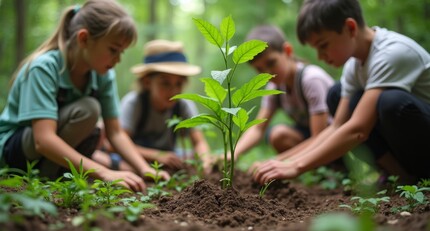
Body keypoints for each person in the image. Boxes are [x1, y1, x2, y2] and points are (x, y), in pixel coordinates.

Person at [252, 0, 430, 185]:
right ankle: (400, 177)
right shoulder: (354, 66)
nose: (320, 56)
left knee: (390, 101)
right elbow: (337, 126)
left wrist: (296, 166)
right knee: (337, 95)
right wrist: (284, 162)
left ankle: (419, 176)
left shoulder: (392, 53)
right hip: (410, 141)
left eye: (323, 45)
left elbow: (358, 130)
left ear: (350, 28)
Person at [0, 0, 169, 192]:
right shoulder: (44, 68)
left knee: (95, 127)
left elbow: (115, 132)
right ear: (84, 39)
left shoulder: (103, 74)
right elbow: (43, 139)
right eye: (113, 50)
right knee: (89, 109)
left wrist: (144, 168)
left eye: (121, 52)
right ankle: (46, 180)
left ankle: (53, 178)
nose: (118, 59)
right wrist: (105, 173)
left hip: (46, 153)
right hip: (15, 150)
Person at [92, 39, 214, 174]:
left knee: (191, 157)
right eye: (165, 83)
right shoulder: (135, 103)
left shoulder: (183, 105)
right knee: (104, 160)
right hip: (132, 159)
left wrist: (205, 163)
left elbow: (199, 142)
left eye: (179, 84)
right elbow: (112, 145)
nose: (173, 91)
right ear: (147, 82)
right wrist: (156, 155)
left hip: (166, 158)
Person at [234, 25, 334, 163]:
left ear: (287, 51)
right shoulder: (274, 87)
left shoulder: (310, 79)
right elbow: (258, 128)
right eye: (259, 69)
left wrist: (277, 161)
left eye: (271, 63)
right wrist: (234, 154)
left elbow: (319, 137)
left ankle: (332, 169)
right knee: (278, 135)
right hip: (309, 137)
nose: (267, 73)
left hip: (332, 139)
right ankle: (314, 172)